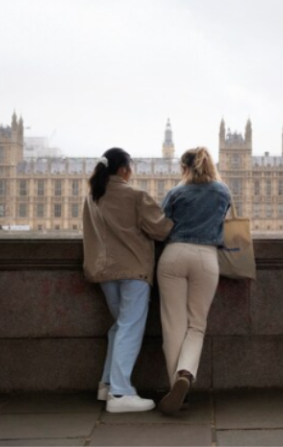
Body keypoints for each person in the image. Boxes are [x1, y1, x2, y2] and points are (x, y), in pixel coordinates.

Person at [82, 147, 173, 413]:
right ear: (123, 169)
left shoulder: (92, 197)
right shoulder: (135, 195)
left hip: (104, 271)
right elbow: (162, 229)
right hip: (133, 270)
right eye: (130, 168)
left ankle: (107, 384)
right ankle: (121, 393)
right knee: (130, 327)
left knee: (119, 327)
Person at [157, 146, 230, 414]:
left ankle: (177, 389)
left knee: (173, 326)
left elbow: (161, 225)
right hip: (206, 258)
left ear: (184, 168)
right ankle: (185, 373)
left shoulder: (176, 192)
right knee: (196, 325)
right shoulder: (222, 191)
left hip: (174, 255)